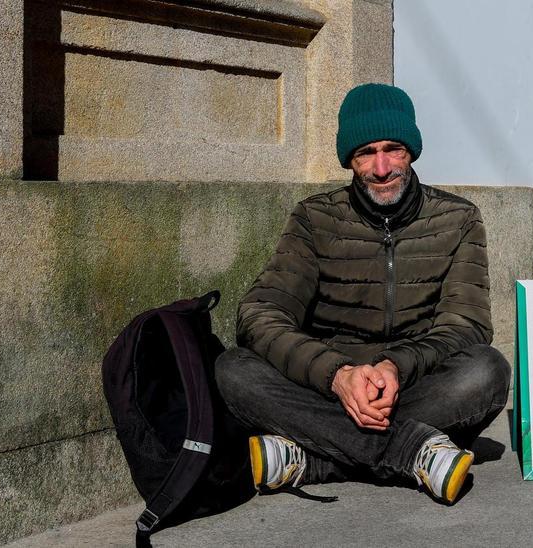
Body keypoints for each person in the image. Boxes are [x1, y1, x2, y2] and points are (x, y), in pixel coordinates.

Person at [215, 83, 510, 505]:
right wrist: (337, 375)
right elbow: (260, 313)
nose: (382, 167)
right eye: (365, 153)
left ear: (412, 150)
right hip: (327, 383)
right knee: (233, 369)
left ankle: (314, 458)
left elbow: (467, 324)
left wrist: (396, 366)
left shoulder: (458, 218)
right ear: (349, 161)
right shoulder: (315, 218)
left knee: (488, 371)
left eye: (394, 149)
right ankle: (409, 452)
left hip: (413, 384)